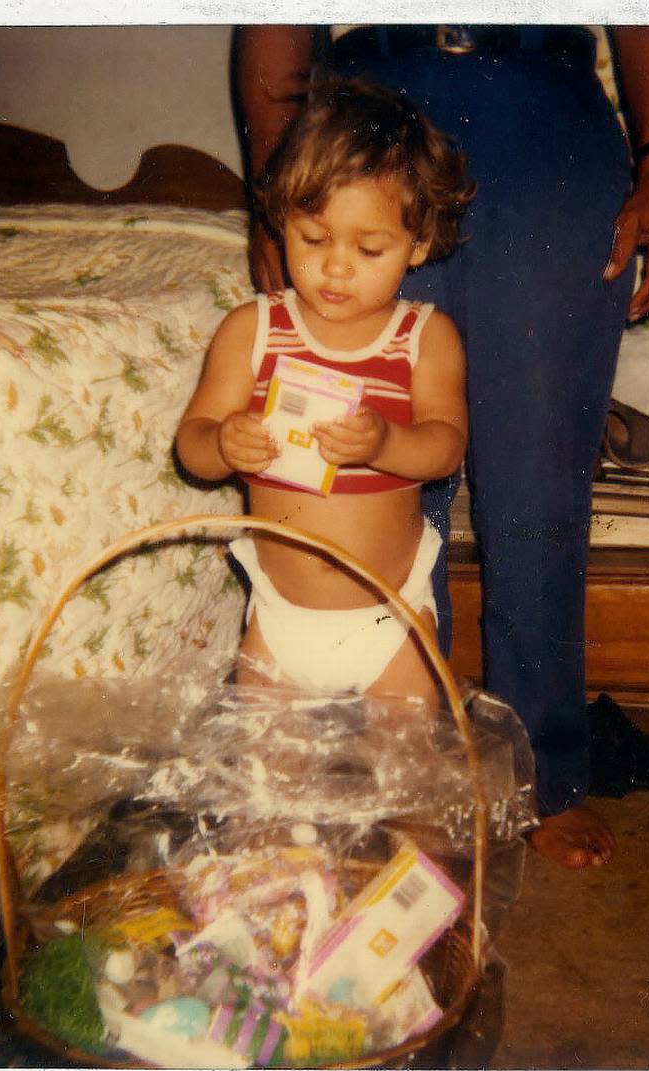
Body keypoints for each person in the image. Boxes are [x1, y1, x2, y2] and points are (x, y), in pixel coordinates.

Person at [233, 24, 649, 869]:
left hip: (543, 117)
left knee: (540, 481)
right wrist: (276, 185)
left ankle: (543, 777)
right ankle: (393, 772)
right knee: (370, 467)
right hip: (371, 108)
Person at [175, 76, 475, 705]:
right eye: (313, 239)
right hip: (280, 618)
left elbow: (445, 448)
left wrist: (384, 442)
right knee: (268, 785)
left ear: (417, 245)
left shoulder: (425, 336)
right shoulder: (252, 330)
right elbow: (192, 449)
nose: (337, 266)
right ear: (282, 219)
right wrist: (224, 443)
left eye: (369, 248)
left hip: (389, 616)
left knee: (410, 775)